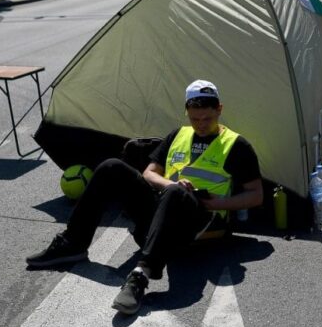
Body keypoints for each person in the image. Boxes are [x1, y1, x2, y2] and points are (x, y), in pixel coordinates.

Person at [26, 80, 264, 315]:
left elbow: (256, 195)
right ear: (186, 112)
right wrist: (172, 184)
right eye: (194, 119)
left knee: (175, 192)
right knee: (111, 166)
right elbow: (149, 174)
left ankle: (140, 276)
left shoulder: (236, 145)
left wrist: (217, 203)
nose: (200, 124)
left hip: (201, 223)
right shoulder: (178, 135)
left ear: (219, 109)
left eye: (207, 119)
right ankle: (73, 243)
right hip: (164, 209)